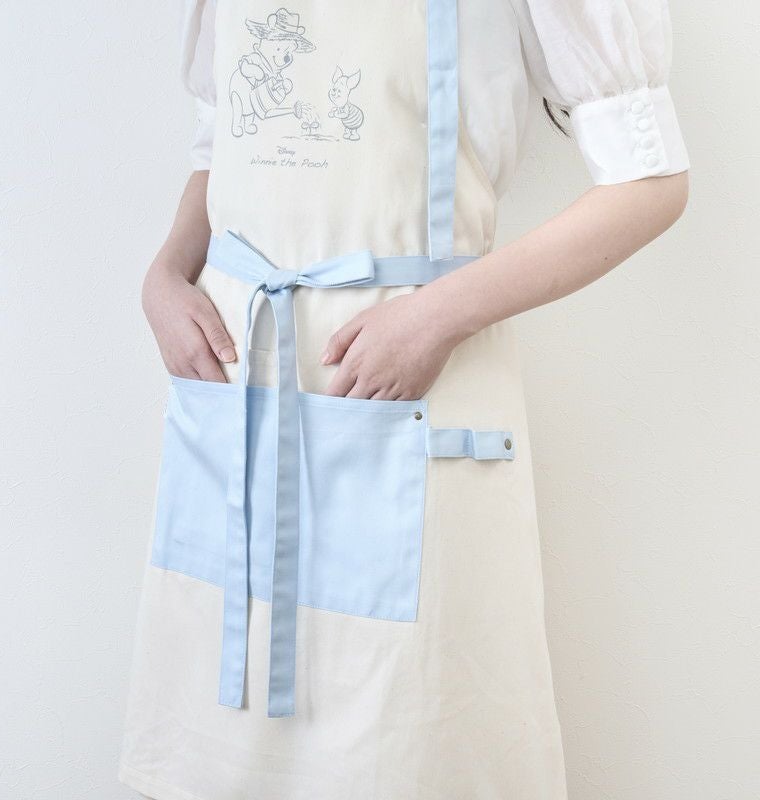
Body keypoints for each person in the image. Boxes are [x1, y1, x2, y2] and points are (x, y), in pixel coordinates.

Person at [118, 1, 690, 798]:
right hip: (238, 395)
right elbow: (223, 136)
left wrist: (436, 316)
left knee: (414, 753)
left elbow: (651, 182)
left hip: (414, 391)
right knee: (216, 761)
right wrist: (165, 275)